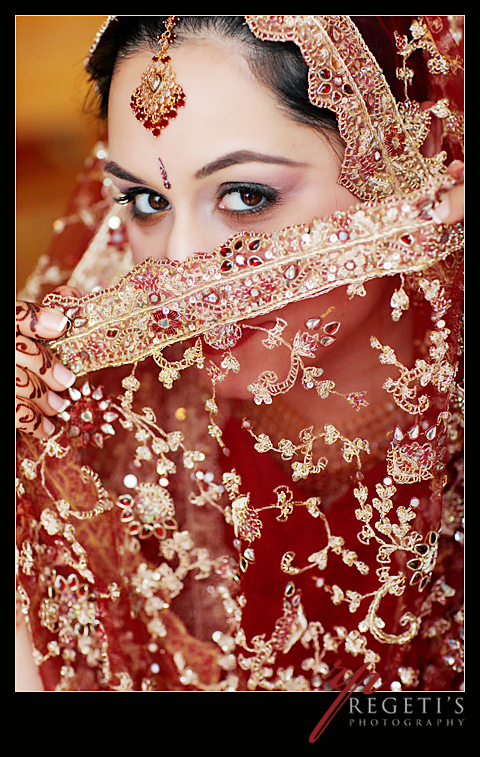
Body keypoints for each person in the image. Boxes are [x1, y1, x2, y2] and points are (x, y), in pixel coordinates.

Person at [16, 16, 463, 692]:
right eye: (145, 199)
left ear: (409, 164)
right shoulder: (95, 443)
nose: (180, 265)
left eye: (247, 195)